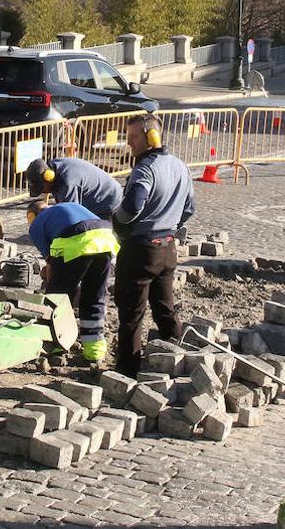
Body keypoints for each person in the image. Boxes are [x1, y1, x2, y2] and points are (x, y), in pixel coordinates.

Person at [111, 113, 195, 376]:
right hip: (167, 248)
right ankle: (177, 362)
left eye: (134, 137)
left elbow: (134, 205)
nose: (129, 143)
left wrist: (119, 223)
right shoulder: (180, 166)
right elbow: (190, 208)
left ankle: (126, 373)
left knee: (131, 314)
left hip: (140, 249)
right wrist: (170, 224)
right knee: (164, 308)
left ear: (151, 137)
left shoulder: (145, 168)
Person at [26, 199, 119, 362]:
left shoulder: (36, 225)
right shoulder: (69, 205)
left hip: (74, 241)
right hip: (105, 240)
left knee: (56, 299)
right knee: (94, 297)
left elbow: (50, 263)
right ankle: (94, 352)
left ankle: (54, 345)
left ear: (32, 216)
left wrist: (51, 280)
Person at [25, 157, 123, 219]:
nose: (43, 192)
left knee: (98, 235)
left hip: (107, 201)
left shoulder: (67, 183)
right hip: (96, 197)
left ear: (48, 177)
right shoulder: (54, 166)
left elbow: (71, 215)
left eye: (42, 188)